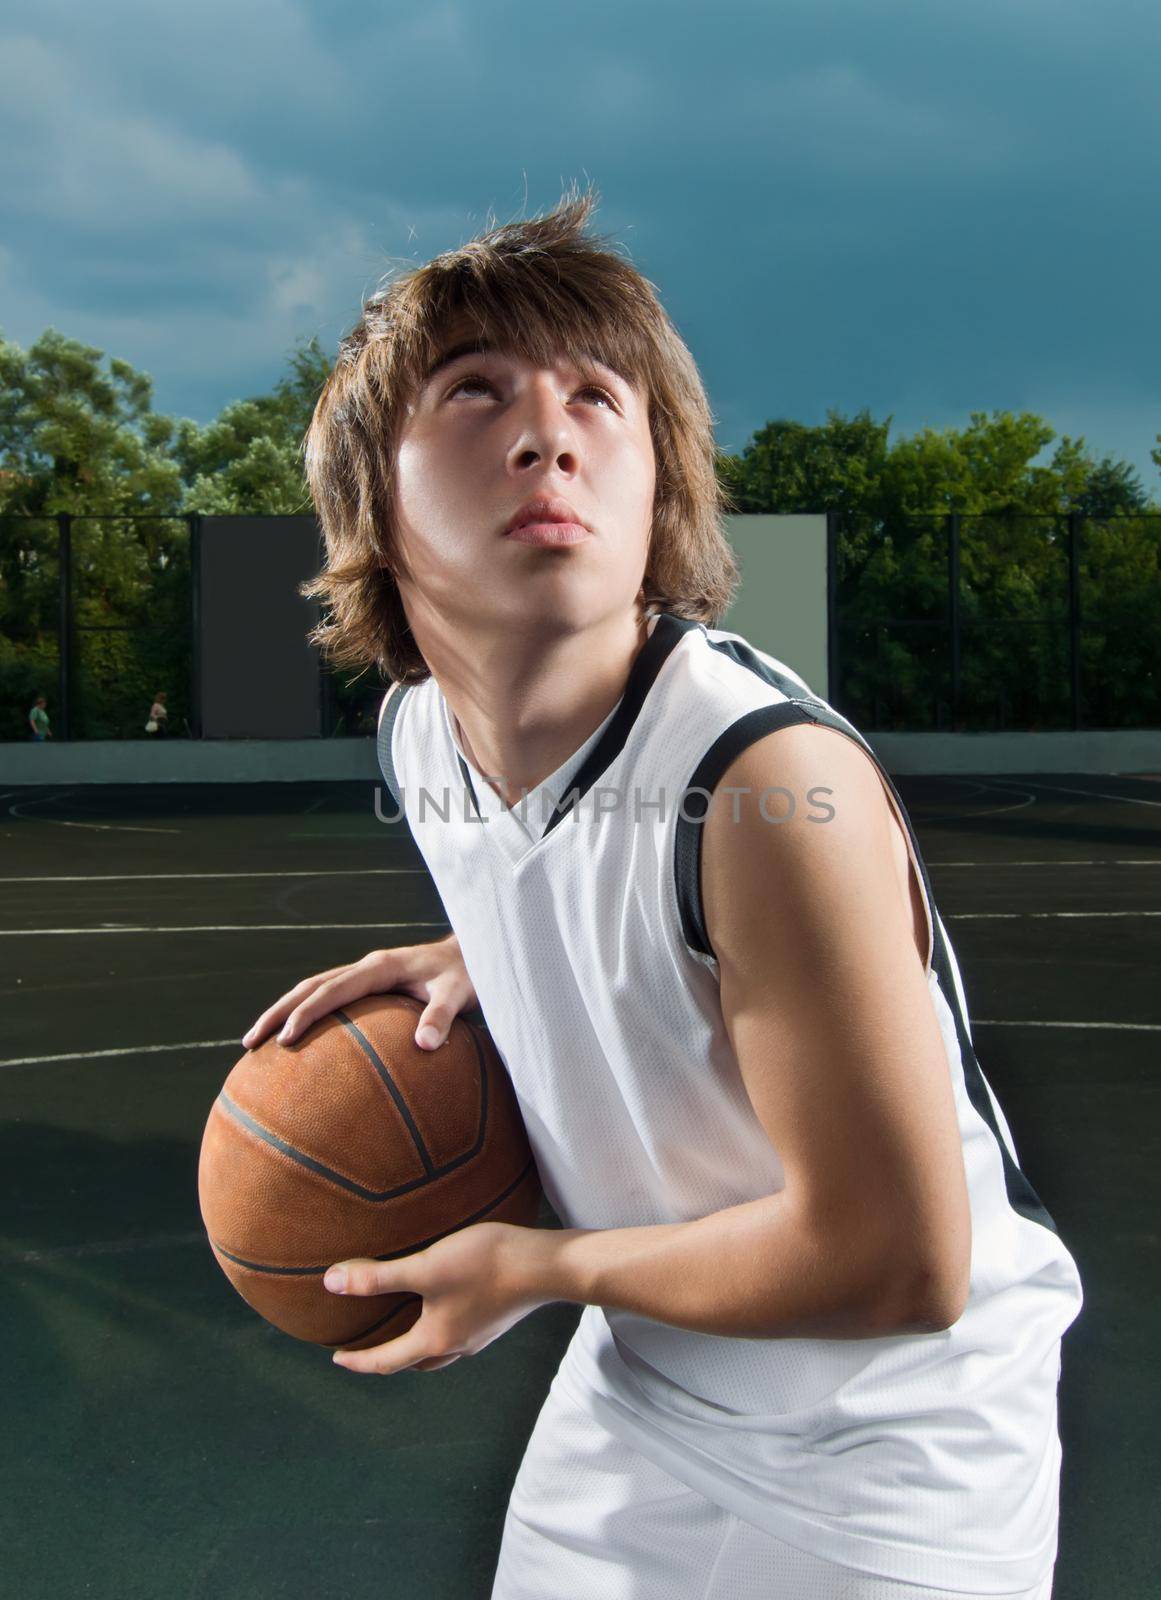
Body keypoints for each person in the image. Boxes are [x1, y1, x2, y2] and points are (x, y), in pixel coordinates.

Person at [242, 188, 1083, 1599]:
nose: (545, 431)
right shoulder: (420, 734)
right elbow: (571, 866)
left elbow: (894, 1263)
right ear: (373, 500)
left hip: (898, 1450)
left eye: (595, 398)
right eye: (472, 392)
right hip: (652, 1395)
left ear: (658, 489)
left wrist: (532, 1266)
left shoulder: (762, 789)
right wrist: (483, 948)